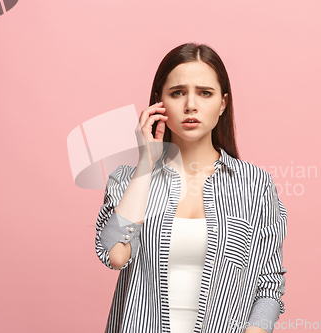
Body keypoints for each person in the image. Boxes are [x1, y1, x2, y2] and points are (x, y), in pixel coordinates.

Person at [95, 43, 287, 333]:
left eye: (205, 93)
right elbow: (117, 255)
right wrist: (146, 163)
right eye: (177, 93)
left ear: (223, 103)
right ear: (158, 102)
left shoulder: (255, 185)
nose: (190, 105)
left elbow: (269, 287)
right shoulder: (129, 179)